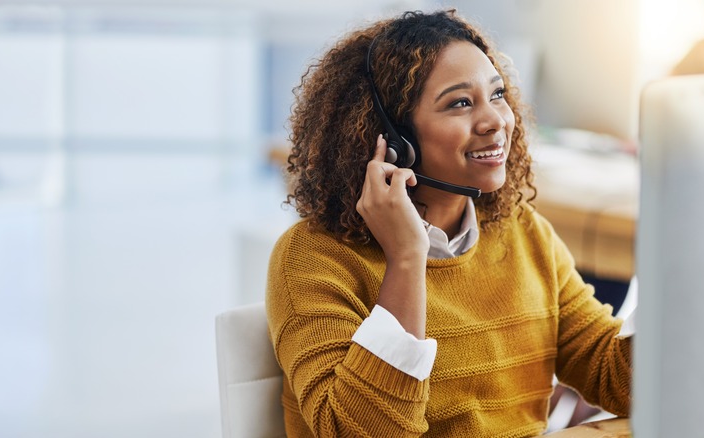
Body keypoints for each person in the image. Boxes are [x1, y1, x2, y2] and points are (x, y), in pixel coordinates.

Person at [266, 9, 631, 437]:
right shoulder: (312, 258)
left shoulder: (522, 230)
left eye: (497, 95)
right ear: (392, 140)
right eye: (460, 103)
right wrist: (406, 260)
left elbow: (612, 375)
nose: (496, 120)